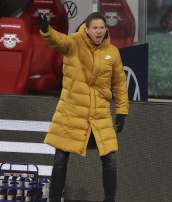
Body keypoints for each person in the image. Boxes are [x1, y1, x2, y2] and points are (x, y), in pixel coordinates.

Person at [38, 12, 129, 202]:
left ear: (106, 30)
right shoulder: (73, 44)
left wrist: (121, 112)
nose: (98, 31)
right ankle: (54, 199)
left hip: (99, 115)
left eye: (102, 28)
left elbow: (120, 84)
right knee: (60, 160)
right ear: (86, 29)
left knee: (110, 160)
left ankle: (110, 200)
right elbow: (58, 41)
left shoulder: (112, 52)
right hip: (70, 112)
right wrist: (46, 30)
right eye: (95, 28)